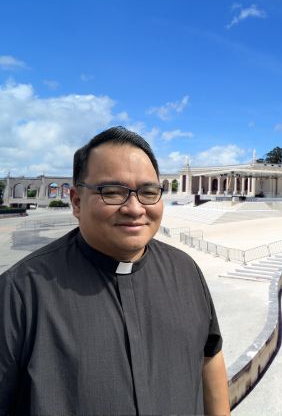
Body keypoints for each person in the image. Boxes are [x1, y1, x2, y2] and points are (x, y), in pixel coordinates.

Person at [0, 126, 230, 415]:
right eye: (112, 192)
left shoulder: (185, 270)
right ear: (76, 201)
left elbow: (210, 355)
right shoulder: (19, 292)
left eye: (148, 192)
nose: (134, 208)